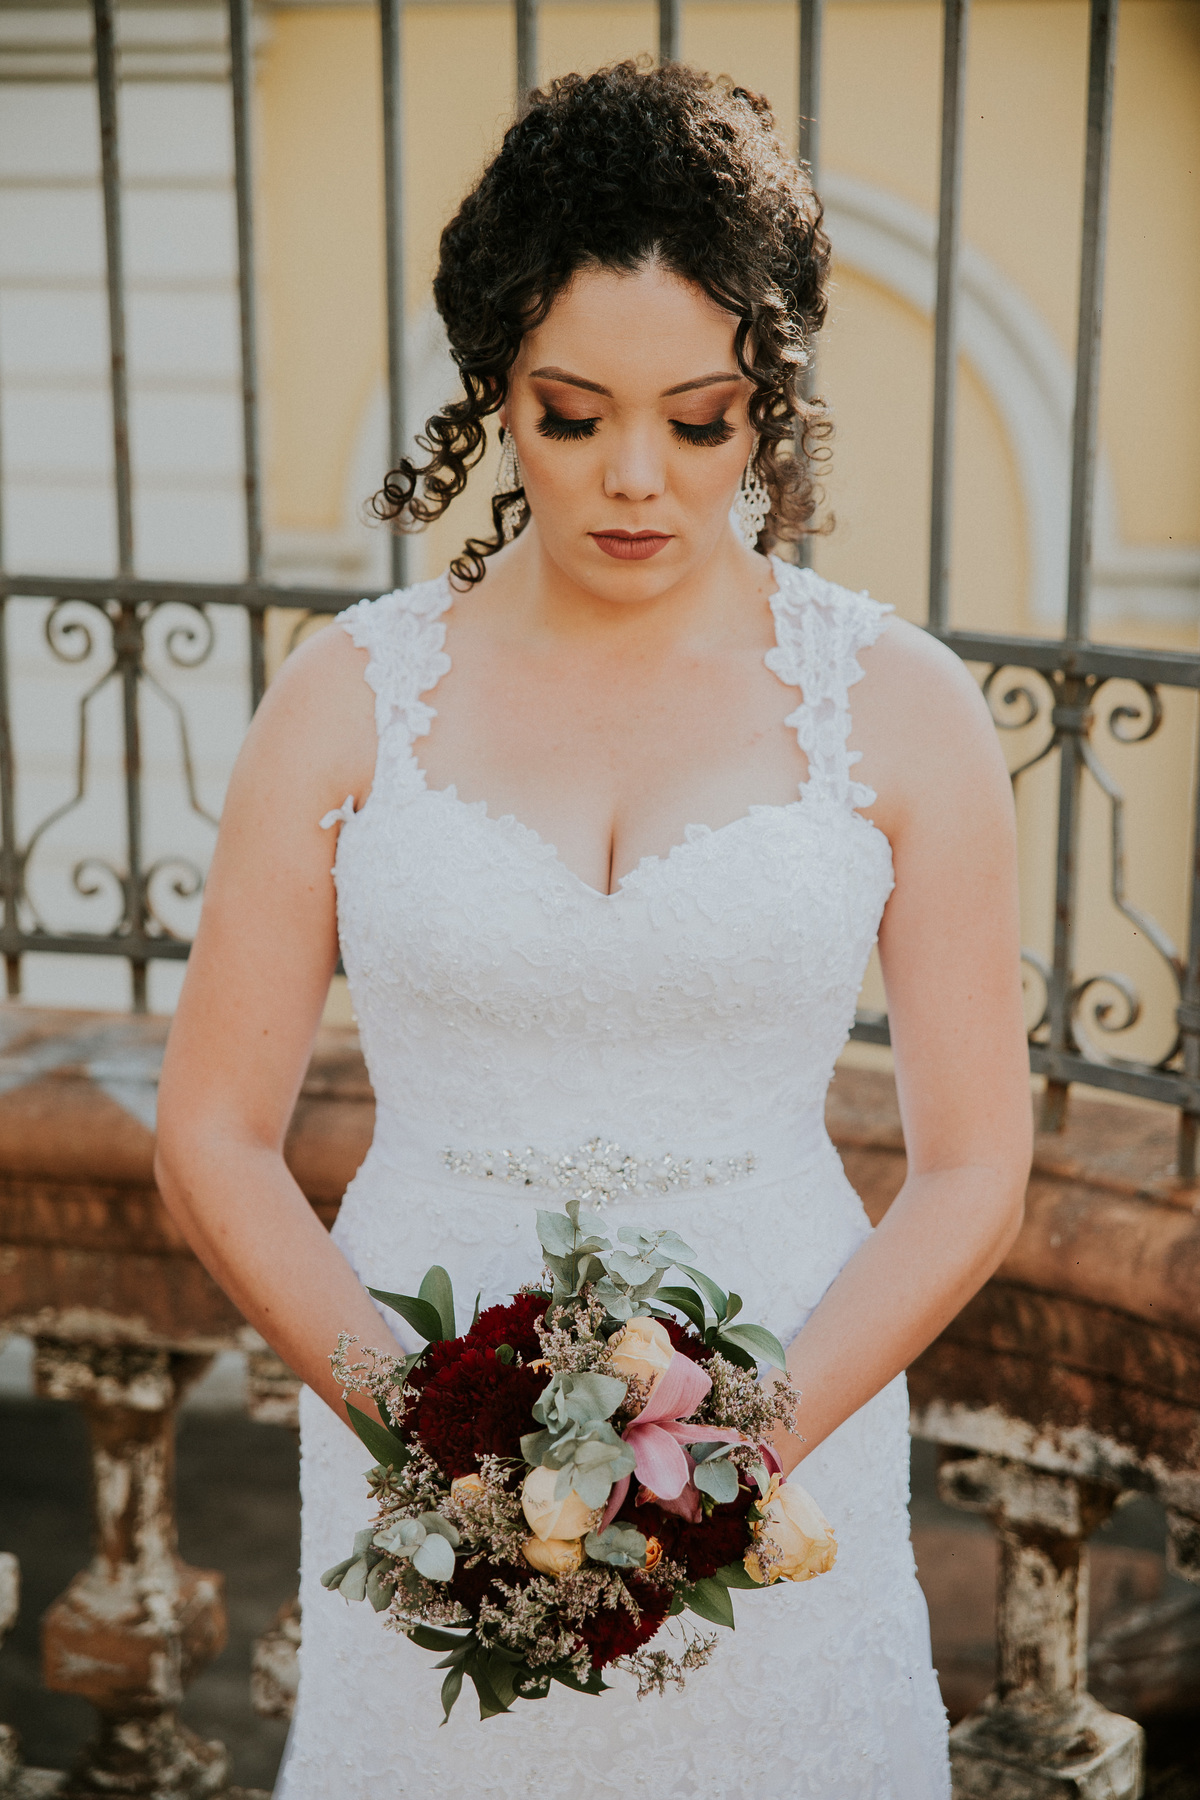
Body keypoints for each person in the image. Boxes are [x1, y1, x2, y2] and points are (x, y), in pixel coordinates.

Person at [156, 62, 1031, 1800]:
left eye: (700, 420)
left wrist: (742, 1440)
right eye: (571, 414)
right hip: (422, 1415)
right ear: (497, 392)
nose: (636, 475)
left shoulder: (904, 712)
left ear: (768, 402)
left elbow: (971, 1170)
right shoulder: (346, 702)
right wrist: (429, 1449)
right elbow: (212, 1135)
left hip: (795, 1411)